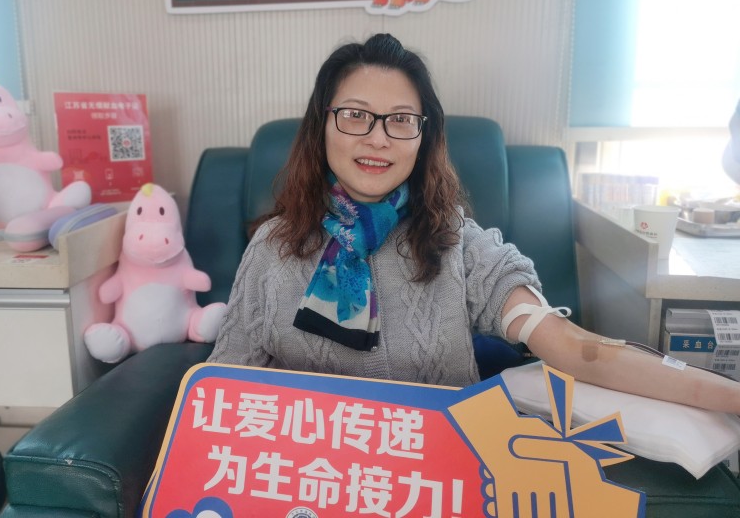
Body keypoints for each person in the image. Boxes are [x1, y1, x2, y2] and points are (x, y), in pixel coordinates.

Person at [208, 33, 740, 415]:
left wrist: (730, 398)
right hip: (309, 484)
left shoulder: (458, 246)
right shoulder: (272, 249)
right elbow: (219, 394)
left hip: (434, 483)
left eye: (400, 120)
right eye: (355, 115)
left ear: (424, 138)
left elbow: (572, 346)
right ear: (321, 126)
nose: (378, 138)